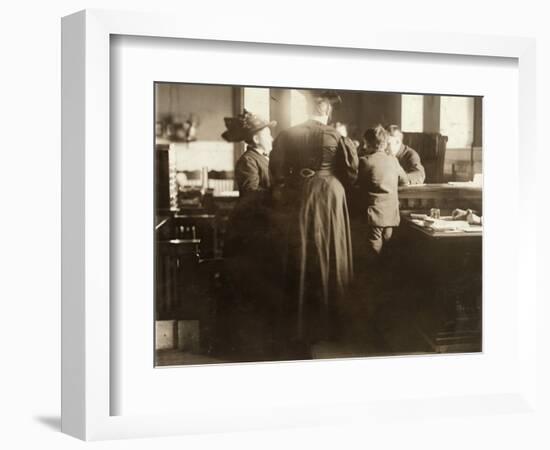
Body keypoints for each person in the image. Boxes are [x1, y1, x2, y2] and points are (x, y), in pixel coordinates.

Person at [269, 90, 358, 351]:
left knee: (302, 253)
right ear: (326, 111)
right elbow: (351, 172)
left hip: (299, 196)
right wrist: (328, 178)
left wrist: (295, 181)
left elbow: (275, 170)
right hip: (329, 196)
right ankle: (331, 324)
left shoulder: (288, 134)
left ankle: (298, 324)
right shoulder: (335, 136)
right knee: (330, 252)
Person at [220, 109, 277, 359]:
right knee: (250, 289)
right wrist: (280, 194)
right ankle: (247, 349)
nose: (272, 137)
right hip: (249, 233)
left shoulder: (264, 159)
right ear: (255, 139)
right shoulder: (248, 161)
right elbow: (252, 196)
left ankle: (260, 345)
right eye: (267, 133)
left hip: (262, 231)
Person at [358, 125, 408, 260]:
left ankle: (376, 272)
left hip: (374, 213)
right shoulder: (393, 160)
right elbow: (405, 181)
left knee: (374, 246)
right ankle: (385, 271)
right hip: (391, 213)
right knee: (388, 244)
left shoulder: (365, 161)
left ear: (368, 143)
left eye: (365, 143)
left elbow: (358, 184)